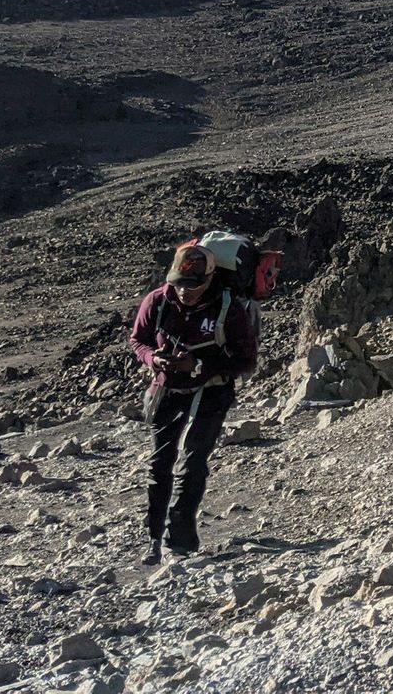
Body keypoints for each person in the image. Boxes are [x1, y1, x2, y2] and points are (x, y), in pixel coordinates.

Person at [127, 242, 259, 564]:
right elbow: (138, 340)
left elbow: (246, 360)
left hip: (212, 391)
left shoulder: (228, 308)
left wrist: (199, 366)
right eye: (179, 284)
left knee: (193, 460)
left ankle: (180, 542)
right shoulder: (157, 302)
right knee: (160, 464)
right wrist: (152, 359)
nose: (185, 292)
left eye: (193, 285)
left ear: (210, 278)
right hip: (167, 389)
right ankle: (153, 539)